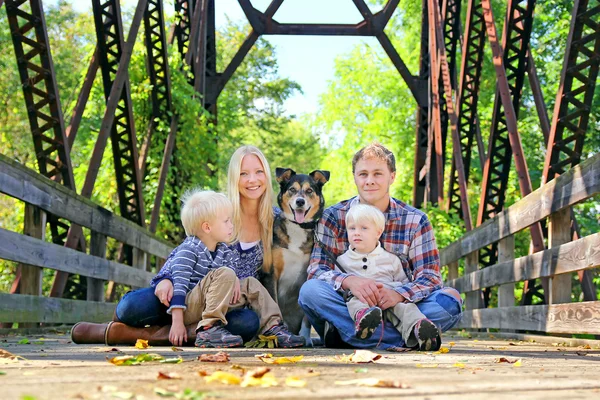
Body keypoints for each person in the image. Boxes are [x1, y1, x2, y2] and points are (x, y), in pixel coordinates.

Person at [298, 142, 463, 351]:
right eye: (363, 174)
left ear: (392, 176)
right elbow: (316, 271)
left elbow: (430, 276)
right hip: (350, 304)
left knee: (450, 302)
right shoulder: (333, 216)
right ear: (355, 176)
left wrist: (399, 294)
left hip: (400, 303)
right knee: (310, 292)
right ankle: (408, 336)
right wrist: (350, 281)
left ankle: (348, 336)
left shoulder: (415, 220)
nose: (369, 181)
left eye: (378, 174)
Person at [153, 145, 304, 348]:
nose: (252, 180)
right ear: (234, 178)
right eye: (244, 173)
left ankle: (272, 328)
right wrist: (165, 278)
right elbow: (188, 248)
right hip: (196, 290)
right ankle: (187, 329)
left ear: (267, 176)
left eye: (259, 172)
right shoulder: (221, 211)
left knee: (248, 322)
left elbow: (299, 256)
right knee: (134, 305)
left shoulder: (277, 221)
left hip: (233, 303)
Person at [336, 203, 439, 350]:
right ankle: (364, 320)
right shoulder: (342, 261)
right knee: (354, 301)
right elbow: (338, 287)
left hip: (389, 299)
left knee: (406, 308)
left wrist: (396, 294)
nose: (356, 233)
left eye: (364, 228)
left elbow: (403, 282)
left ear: (378, 233)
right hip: (363, 300)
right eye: (352, 228)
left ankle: (421, 329)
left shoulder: (391, 259)